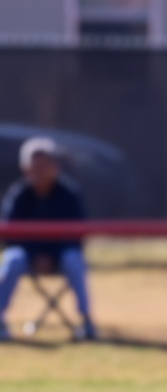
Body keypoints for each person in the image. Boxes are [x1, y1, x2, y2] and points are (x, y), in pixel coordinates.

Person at [0, 137, 95, 342]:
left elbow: (78, 234)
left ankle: (87, 321)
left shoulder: (69, 194)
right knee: (13, 258)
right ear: (25, 169)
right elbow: (10, 233)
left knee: (74, 259)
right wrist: (36, 255)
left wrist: (51, 255)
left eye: (45, 166)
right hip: (28, 257)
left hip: (60, 256)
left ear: (55, 167)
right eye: (35, 167)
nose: (40, 171)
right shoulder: (20, 195)